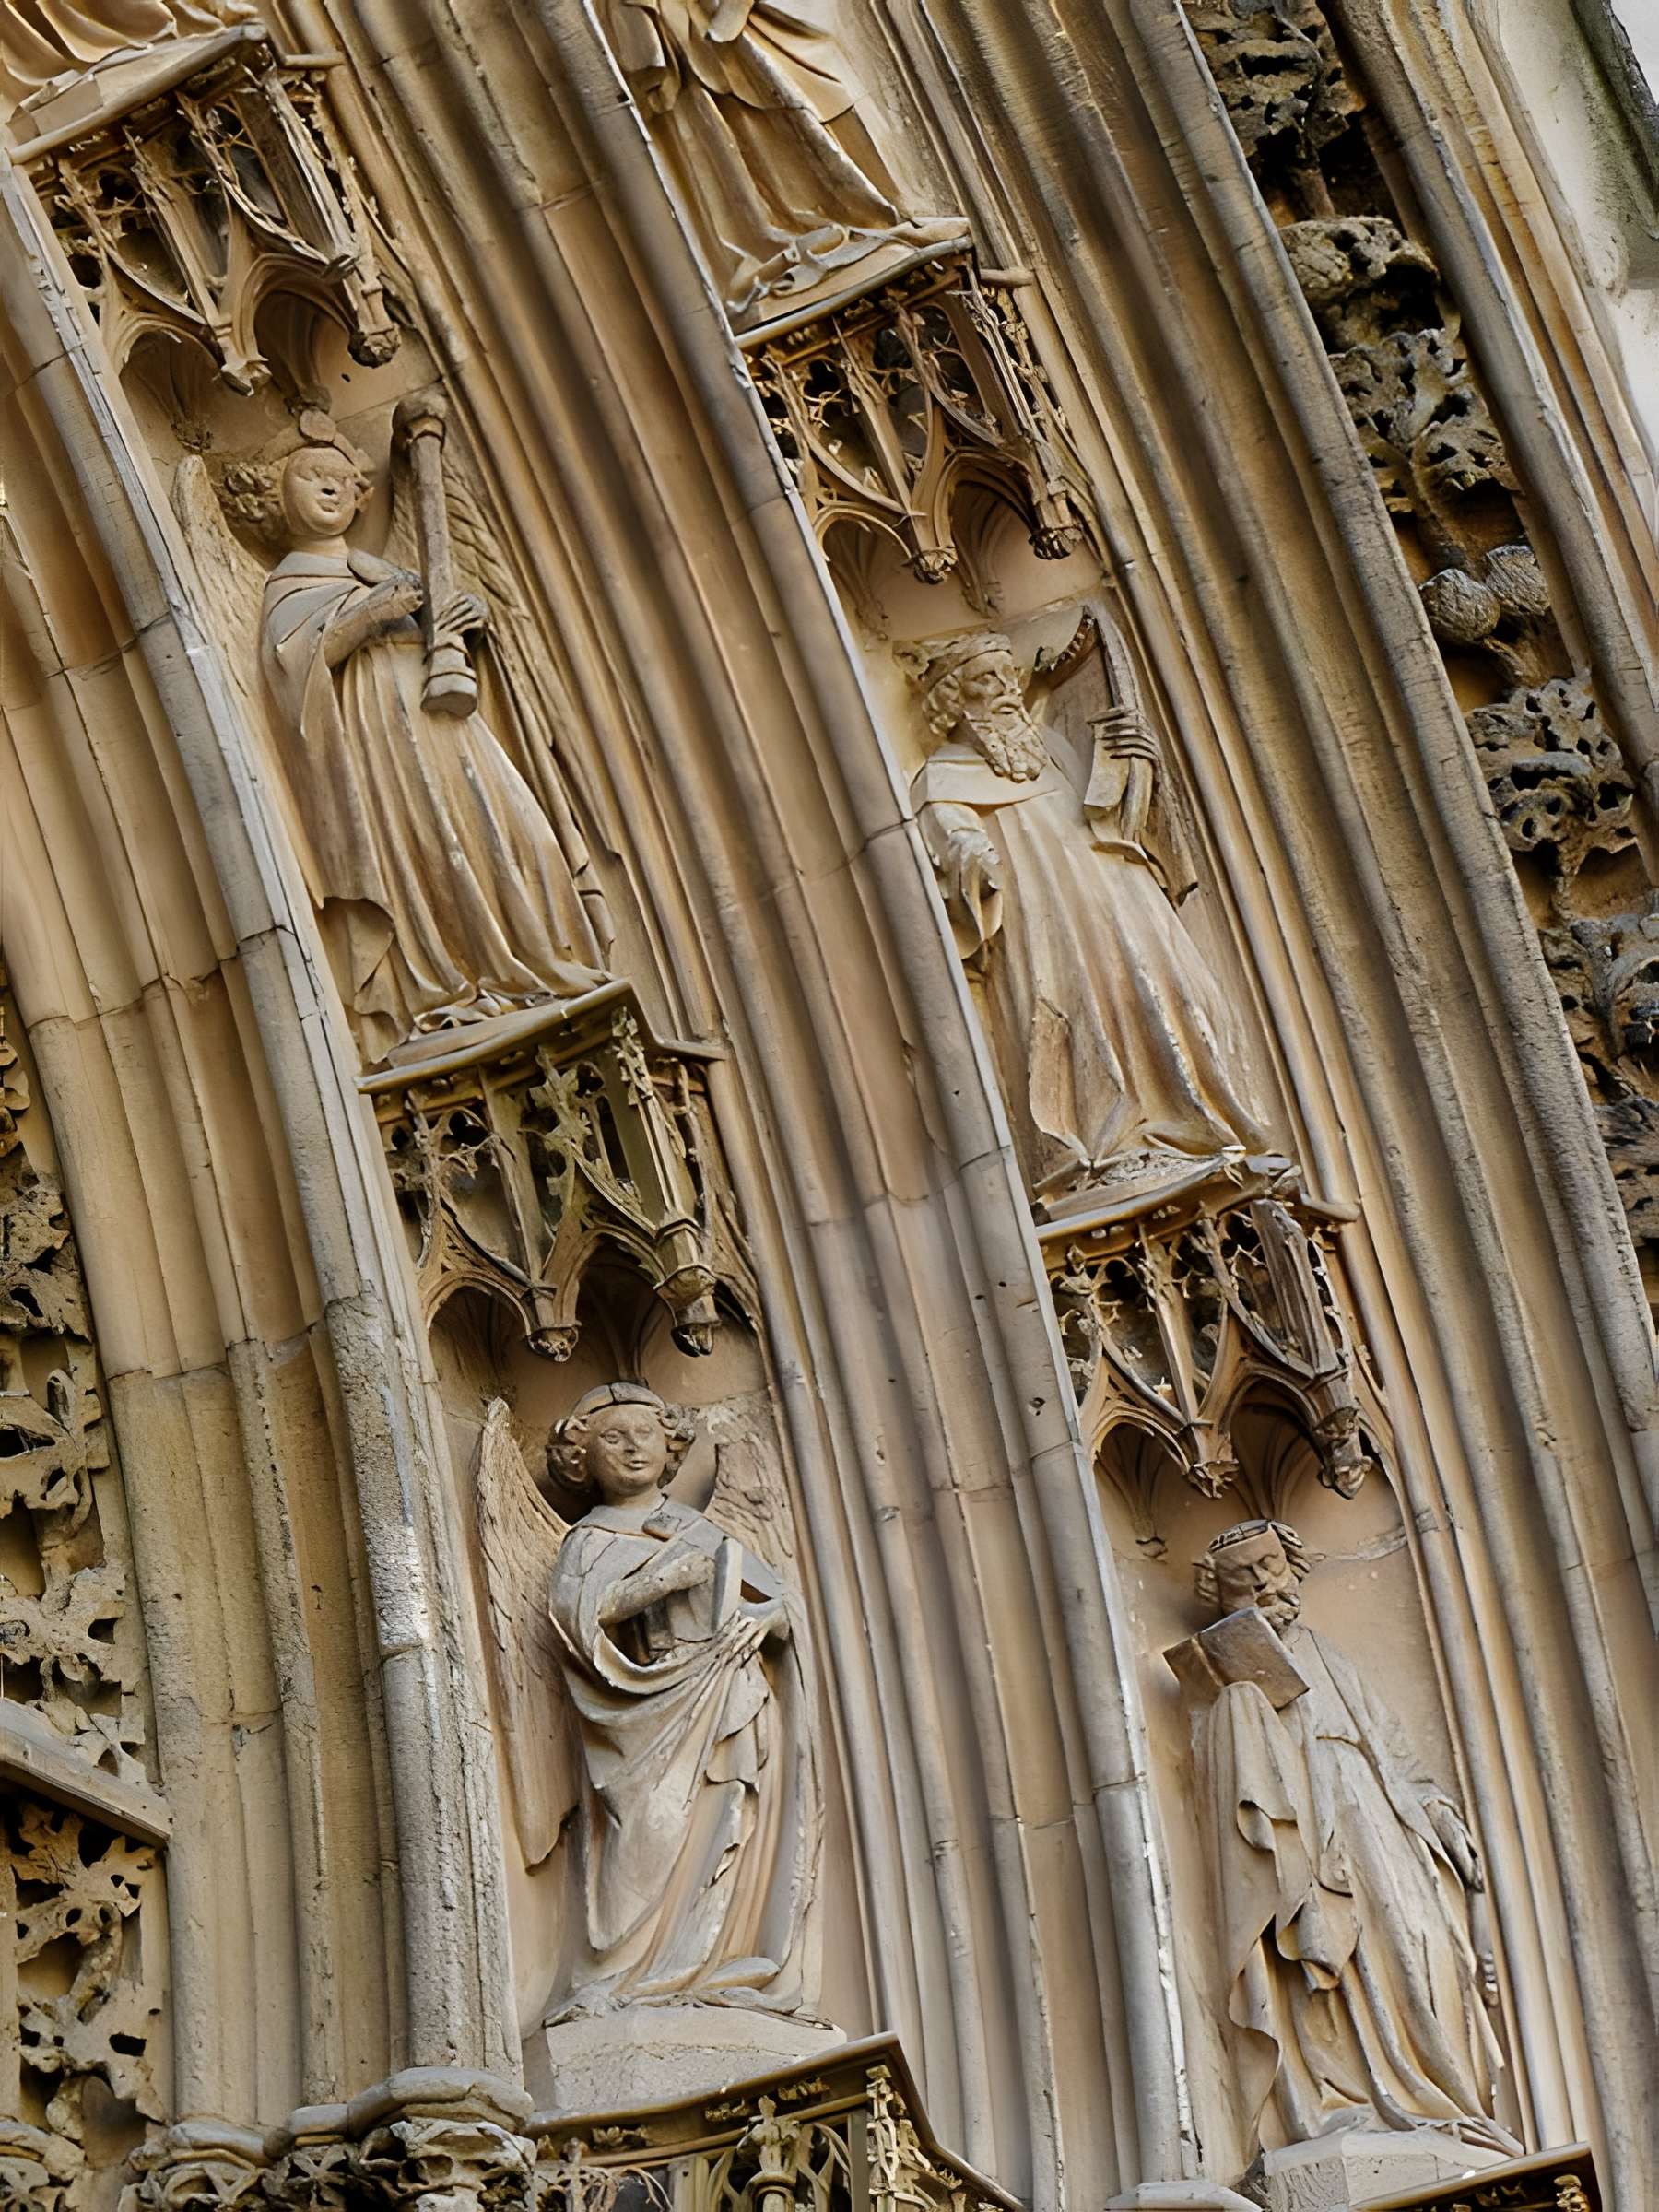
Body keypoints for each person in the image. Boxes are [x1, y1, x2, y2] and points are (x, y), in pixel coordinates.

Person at [244, 423, 606, 1064]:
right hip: (383, 744)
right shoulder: (289, 584)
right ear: (276, 494)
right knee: (434, 849)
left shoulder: (386, 568)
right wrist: (367, 616)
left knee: (519, 835)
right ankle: (450, 983)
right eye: (309, 474)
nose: (331, 485)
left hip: (445, 724)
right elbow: (293, 673)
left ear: (363, 498)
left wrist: (464, 619)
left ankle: (540, 960)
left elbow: (448, 633)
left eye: (346, 479)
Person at [903, 630, 1269, 1203]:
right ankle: (1110, 1149)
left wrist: (1137, 766)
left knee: (1169, 991)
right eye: (984, 681)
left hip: (1120, 897)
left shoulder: (1051, 746)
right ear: (955, 701)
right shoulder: (942, 778)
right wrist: (975, 863)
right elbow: (952, 846)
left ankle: (1195, 1125)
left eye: (1007, 676)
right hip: (1045, 915)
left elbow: (1110, 820)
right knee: (1080, 1008)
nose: (1004, 690)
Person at [1188, 1519, 1515, 2156]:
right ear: (1221, 1595)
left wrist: (1439, 1814)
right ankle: (1358, 2097)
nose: (1262, 1584)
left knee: (1417, 1941)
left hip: (1375, 1813)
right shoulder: (1229, 1678)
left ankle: (1440, 2095)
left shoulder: (1328, 1653)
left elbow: (1395, 1752)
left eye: (1270, 1568)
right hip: (1307, 1820)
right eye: (1243, 1579)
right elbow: (1225, 1780)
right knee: (1331, 1966)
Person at [546, 1382, 820, 2017]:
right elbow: (578, 1619)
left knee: (726, 1823)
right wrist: (663, 1578)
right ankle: (616, 1978)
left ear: (670, 1447)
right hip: (647, 1711)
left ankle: (702, 1963)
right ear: (582, 1459)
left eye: (646, 1434)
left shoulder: (694, 1528)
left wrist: (767, 1618)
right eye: (613, 1438)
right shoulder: (588, 1539)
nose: (633, 1448)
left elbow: (784, 1606)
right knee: (646, 1834)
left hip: (729, 1694)